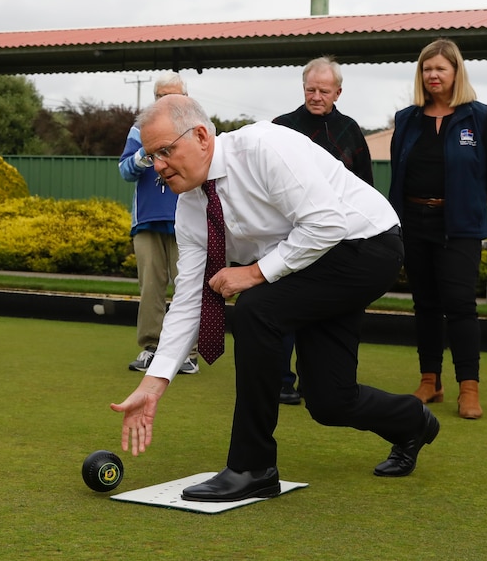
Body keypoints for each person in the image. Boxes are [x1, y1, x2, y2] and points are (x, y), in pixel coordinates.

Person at [110, 94, 439, 503]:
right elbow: (190, 295)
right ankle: (413, 421)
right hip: (311, 260)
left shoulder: (264, 147)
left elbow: (325, 224)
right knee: (329, 401)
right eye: (151, 155)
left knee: (255, 311)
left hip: (366, 246)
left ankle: (253, 467)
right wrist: (154, 383)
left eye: (165, 151)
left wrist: (252, 273)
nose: (157, 165)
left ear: (200, 136)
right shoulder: (191, 204)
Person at [388, 38, 487, 419]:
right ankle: (430, 382)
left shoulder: (478, 116)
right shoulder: (407, 119)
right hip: (414, 222)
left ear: (456, 72)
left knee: (459, 306)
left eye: (440, 68)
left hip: (459, 226)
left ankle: (468, 389)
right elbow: (398, 170)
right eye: (427, 69)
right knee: (424, 305)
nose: (432, 75)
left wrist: (468, 198)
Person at [272, 55, 374, 406]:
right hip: (289, 233)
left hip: (339, 237)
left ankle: (316, 380)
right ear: (303, 88)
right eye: (310, 89)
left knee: (323, 312)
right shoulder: (281, 127)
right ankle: (281, 380)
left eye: (324, 90)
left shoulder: (350, 130)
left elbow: (366, 187)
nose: (316, 96)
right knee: (284, 307)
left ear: (338, 92)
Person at [118, 72, 199, 375]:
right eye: (160, 96)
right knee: (151, 287)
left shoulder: (196, 127)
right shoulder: (139, 129)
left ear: (185, 98)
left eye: (172, 96)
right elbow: (125, 170)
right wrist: (145, 152)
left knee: (188, 287)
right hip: (148, 220)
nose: (165, 102)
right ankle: (151, 348)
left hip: (188, 221)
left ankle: (187, 354)